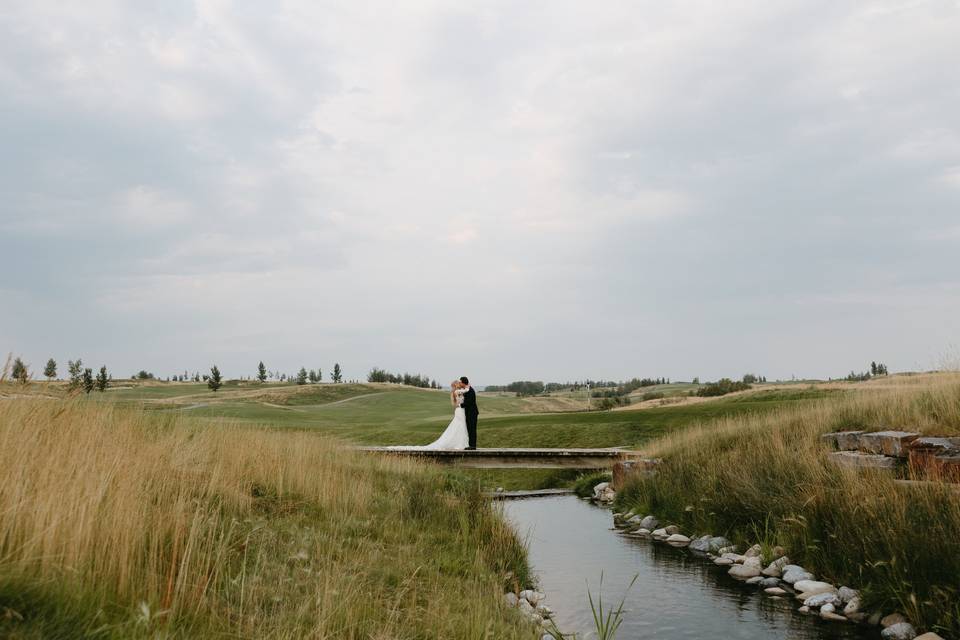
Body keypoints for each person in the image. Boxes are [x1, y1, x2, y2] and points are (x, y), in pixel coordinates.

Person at [386, 380, 469, 450]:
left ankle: (461, 443)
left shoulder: (457, 392)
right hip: (459, 410)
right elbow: (464, 393)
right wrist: (467, 387)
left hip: (461, 410)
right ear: (456, 385)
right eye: (458, 383)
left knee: (460, 425)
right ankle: (460, 444)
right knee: (460, 425)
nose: (459, 384)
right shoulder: (456, 392)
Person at [459, 376, 479, 449]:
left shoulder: (470, 391)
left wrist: (460, 405)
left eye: (460, 382)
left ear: (463, 382)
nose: (460, 383)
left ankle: (473, 446)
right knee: (470, 429)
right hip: (469, 413)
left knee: (472, 429)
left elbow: (469, 402)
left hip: (472, 413)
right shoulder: (466, 390)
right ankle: (471, 445)